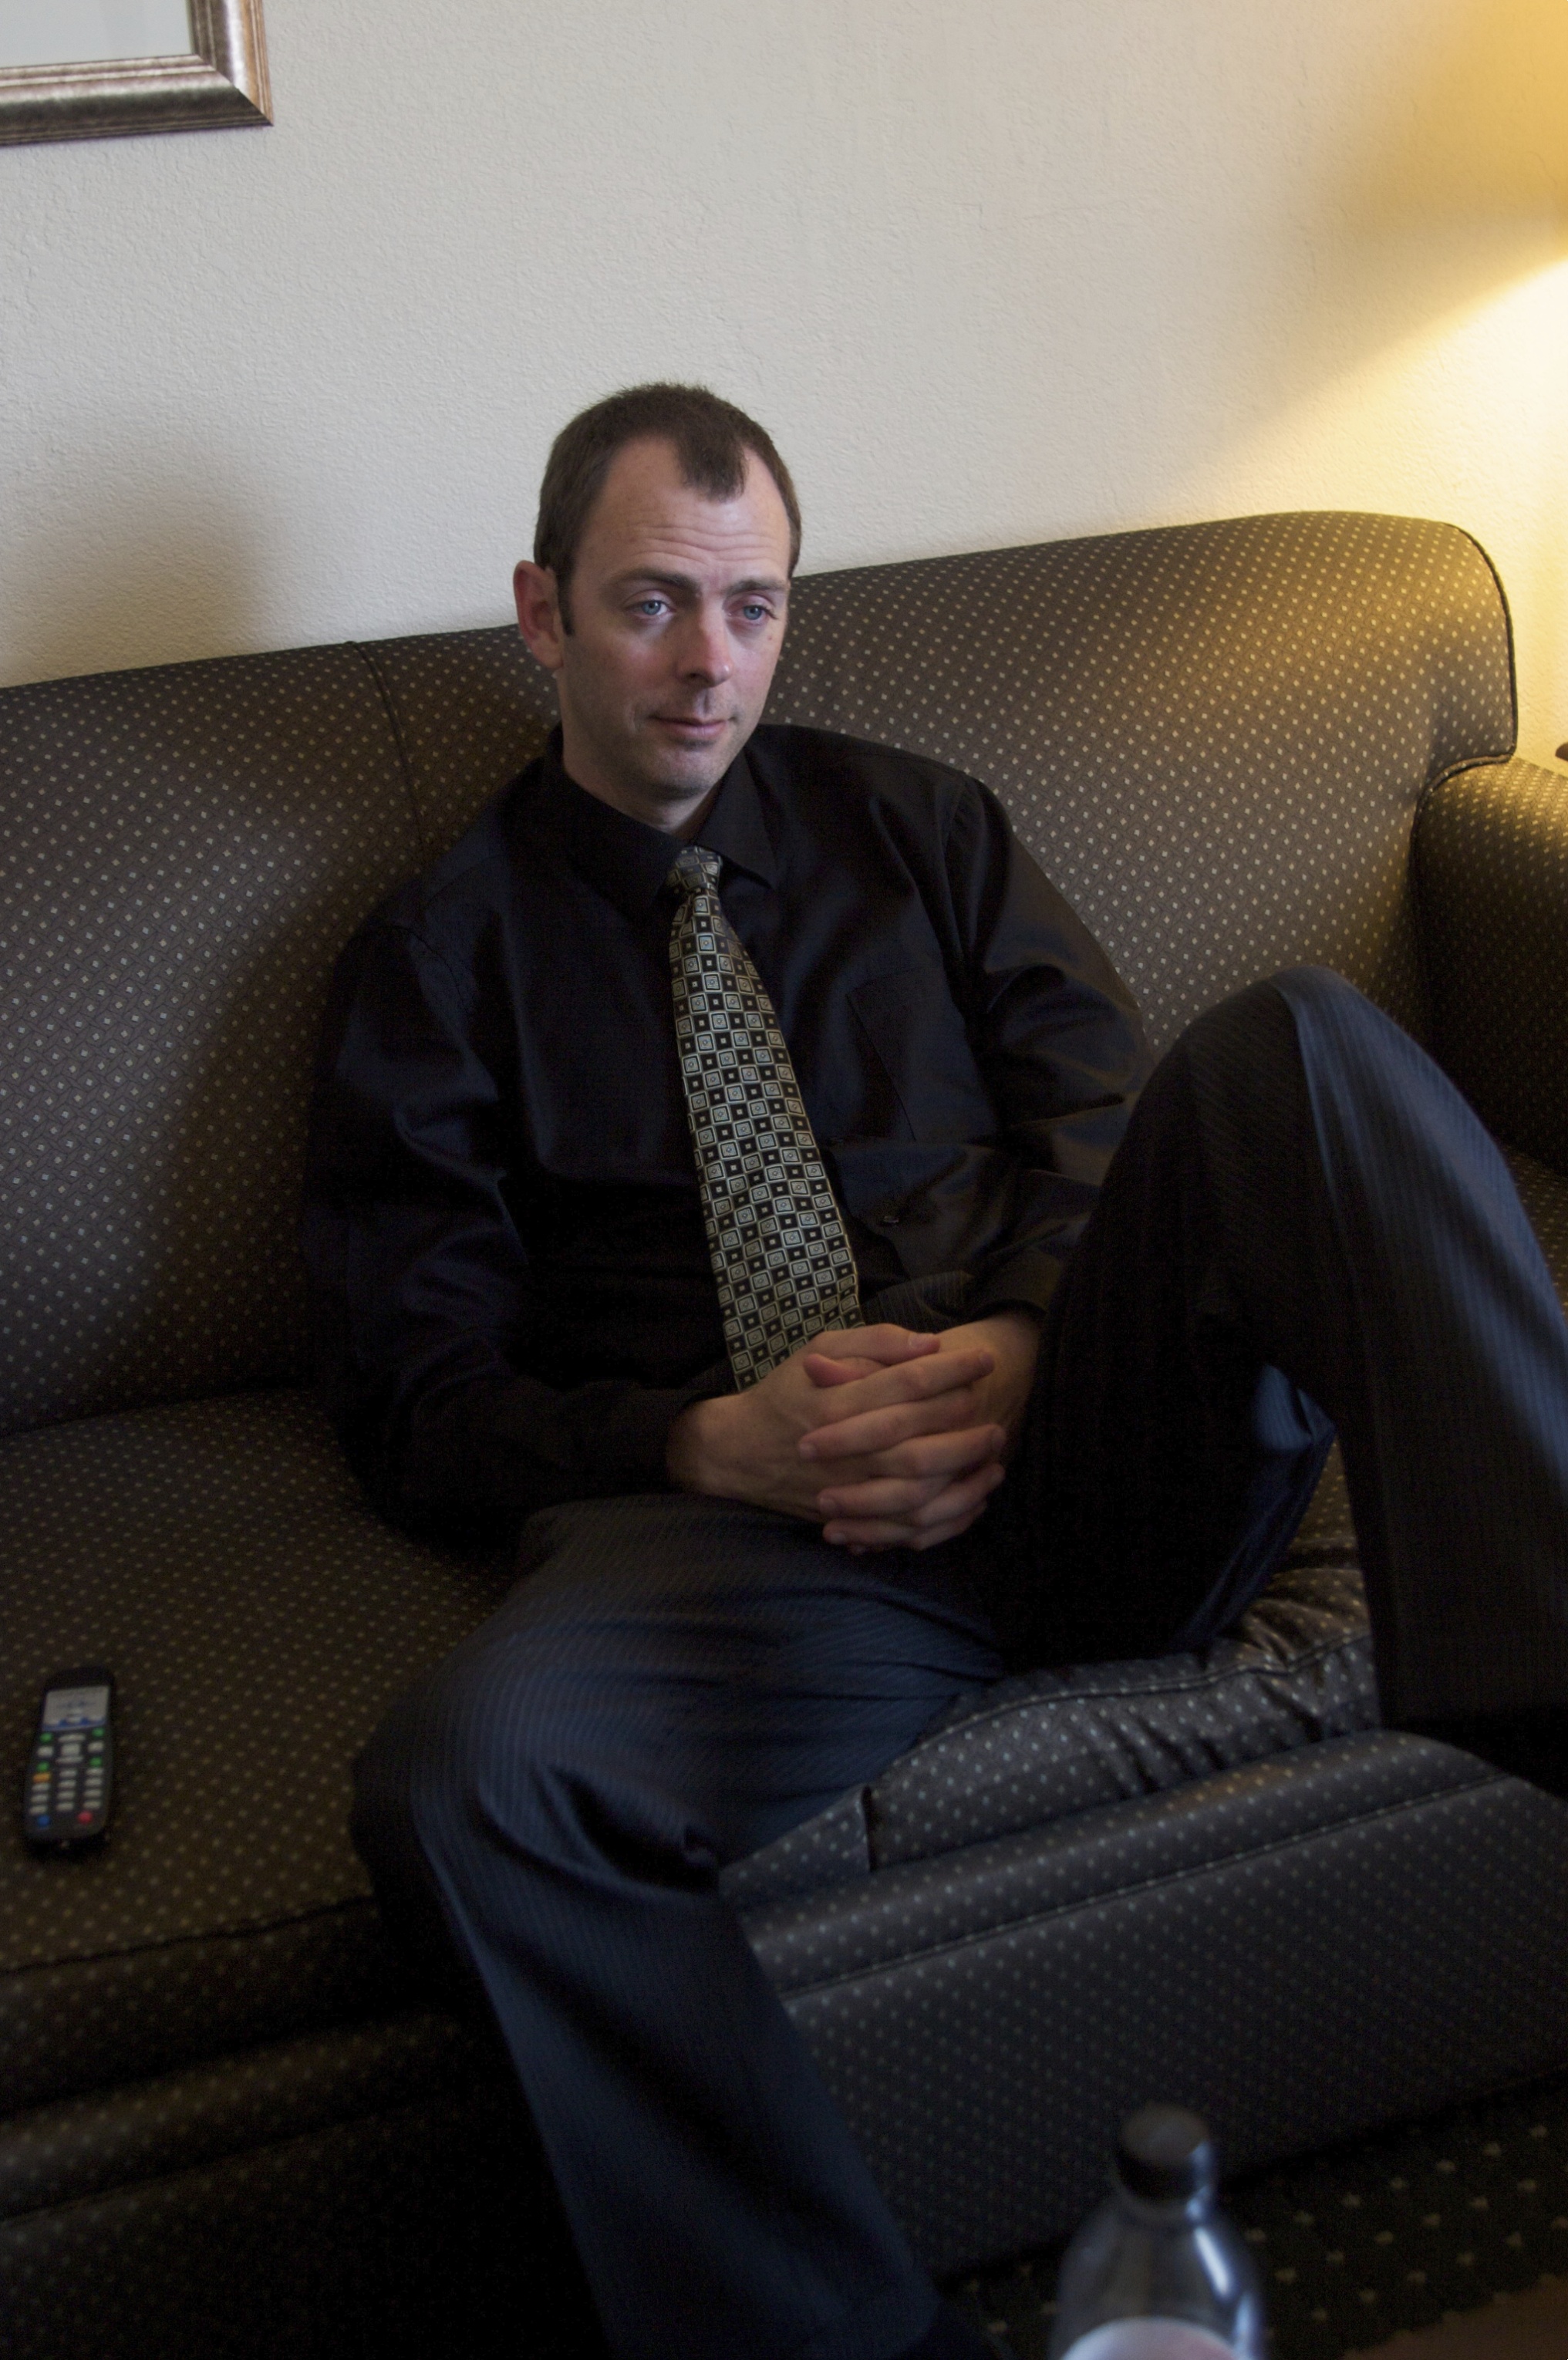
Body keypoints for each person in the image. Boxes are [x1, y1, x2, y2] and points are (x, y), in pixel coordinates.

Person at [304, 383, 1568, 2360]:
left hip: (1083, 1451)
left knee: (1302, 1048)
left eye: (753, 606)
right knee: (463, 1782)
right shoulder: (435, 957)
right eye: (651, 604)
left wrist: (1027, 1333)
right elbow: (416, 1396)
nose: (709, 664)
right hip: (759, 1561)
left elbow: (1105, 1113)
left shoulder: (920, 826)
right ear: (543, 612)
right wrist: (706, 1443)